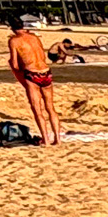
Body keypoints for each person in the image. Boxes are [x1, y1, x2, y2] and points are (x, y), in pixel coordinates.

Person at [6, 14, 63, 146]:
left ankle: (46, 140)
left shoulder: (14, 41)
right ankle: (57, 139)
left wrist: (18, 72)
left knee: (37, 109)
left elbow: (14, 64)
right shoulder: (34, 37)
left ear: (11, 28)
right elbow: (42, 55)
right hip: (46, 72)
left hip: (32, 75)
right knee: (50, 108)